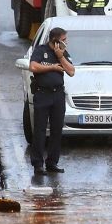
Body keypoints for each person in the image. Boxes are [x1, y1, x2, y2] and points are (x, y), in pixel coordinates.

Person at [28, 27, 75, 176]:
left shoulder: (62, 53)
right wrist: (52, 67)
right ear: (56, 40)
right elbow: (33, 66)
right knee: (40, 130)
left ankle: (52, 162)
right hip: (43, 94)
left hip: (58, 95)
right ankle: (38, 164)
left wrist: (60, 57)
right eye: (64, 39)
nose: (66, 42)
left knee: (56, 130)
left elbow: (71, 71)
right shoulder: (41, 51)